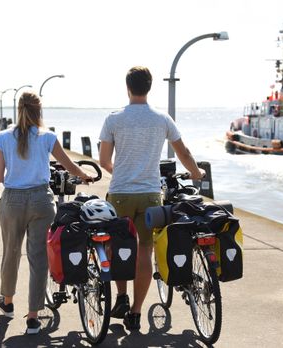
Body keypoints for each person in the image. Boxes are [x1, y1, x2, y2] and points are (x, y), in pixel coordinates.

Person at [99, 66, 205, 330]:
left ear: (128, 87)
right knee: (144, 251)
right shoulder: (162, 119)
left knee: (119, 246)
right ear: (149, 87)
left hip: (120, 193)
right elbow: (183, 151)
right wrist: (196, 172)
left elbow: (103, 161)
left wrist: (120, 172)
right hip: (149, 195)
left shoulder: (113, 119)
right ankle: (135, 312)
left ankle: (121, 296)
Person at [0, 91, 93, 334]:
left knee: (11, 252)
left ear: (19, 109)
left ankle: (7, 303)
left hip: (12, 201)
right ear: (40, 111)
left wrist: (16, 174)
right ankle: (34, 317)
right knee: (38, 258)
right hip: (41, 201)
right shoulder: (47, 137)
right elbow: (69, 165)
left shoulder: (3, 138)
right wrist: (85, 176)